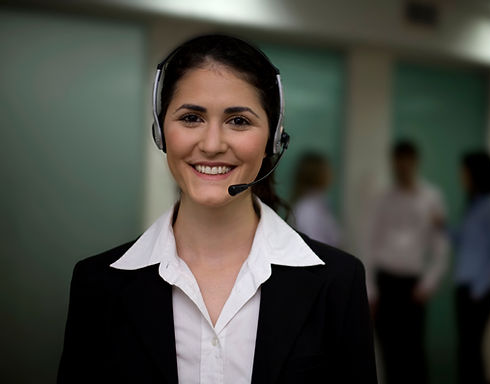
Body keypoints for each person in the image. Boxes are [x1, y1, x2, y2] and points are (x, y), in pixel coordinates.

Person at [57, 34, 377, 384]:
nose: (211, 145)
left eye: (238, 121)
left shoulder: (338, 282)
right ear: (161, 132)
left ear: (274, 138)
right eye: (191, 117)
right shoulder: (98, 283)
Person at [368, 140, 449, 384]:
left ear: (415, 162)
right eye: (397, 161)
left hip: (413, 286)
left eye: (407, 161)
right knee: (388, 351)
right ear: (393, 163)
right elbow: (371, 242)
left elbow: (441, 246)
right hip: (386, 282)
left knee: (413, 352)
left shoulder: (432, 197)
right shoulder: (383, 198)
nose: (402, 166)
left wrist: (429, 283)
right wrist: (371, 290)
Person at [454, 151, 490, 384]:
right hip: (465, 289)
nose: (461, 177)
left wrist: (479, 289)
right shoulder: (474, 204)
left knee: (471, 353)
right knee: (467, 353)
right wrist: (442, 228)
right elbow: (467, 241)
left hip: (478, 291)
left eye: (464, 172)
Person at [290, 151, 341, 247]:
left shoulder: (321, 202)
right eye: (326, 170)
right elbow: (313, 244)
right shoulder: (307, 208)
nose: (331, 174)